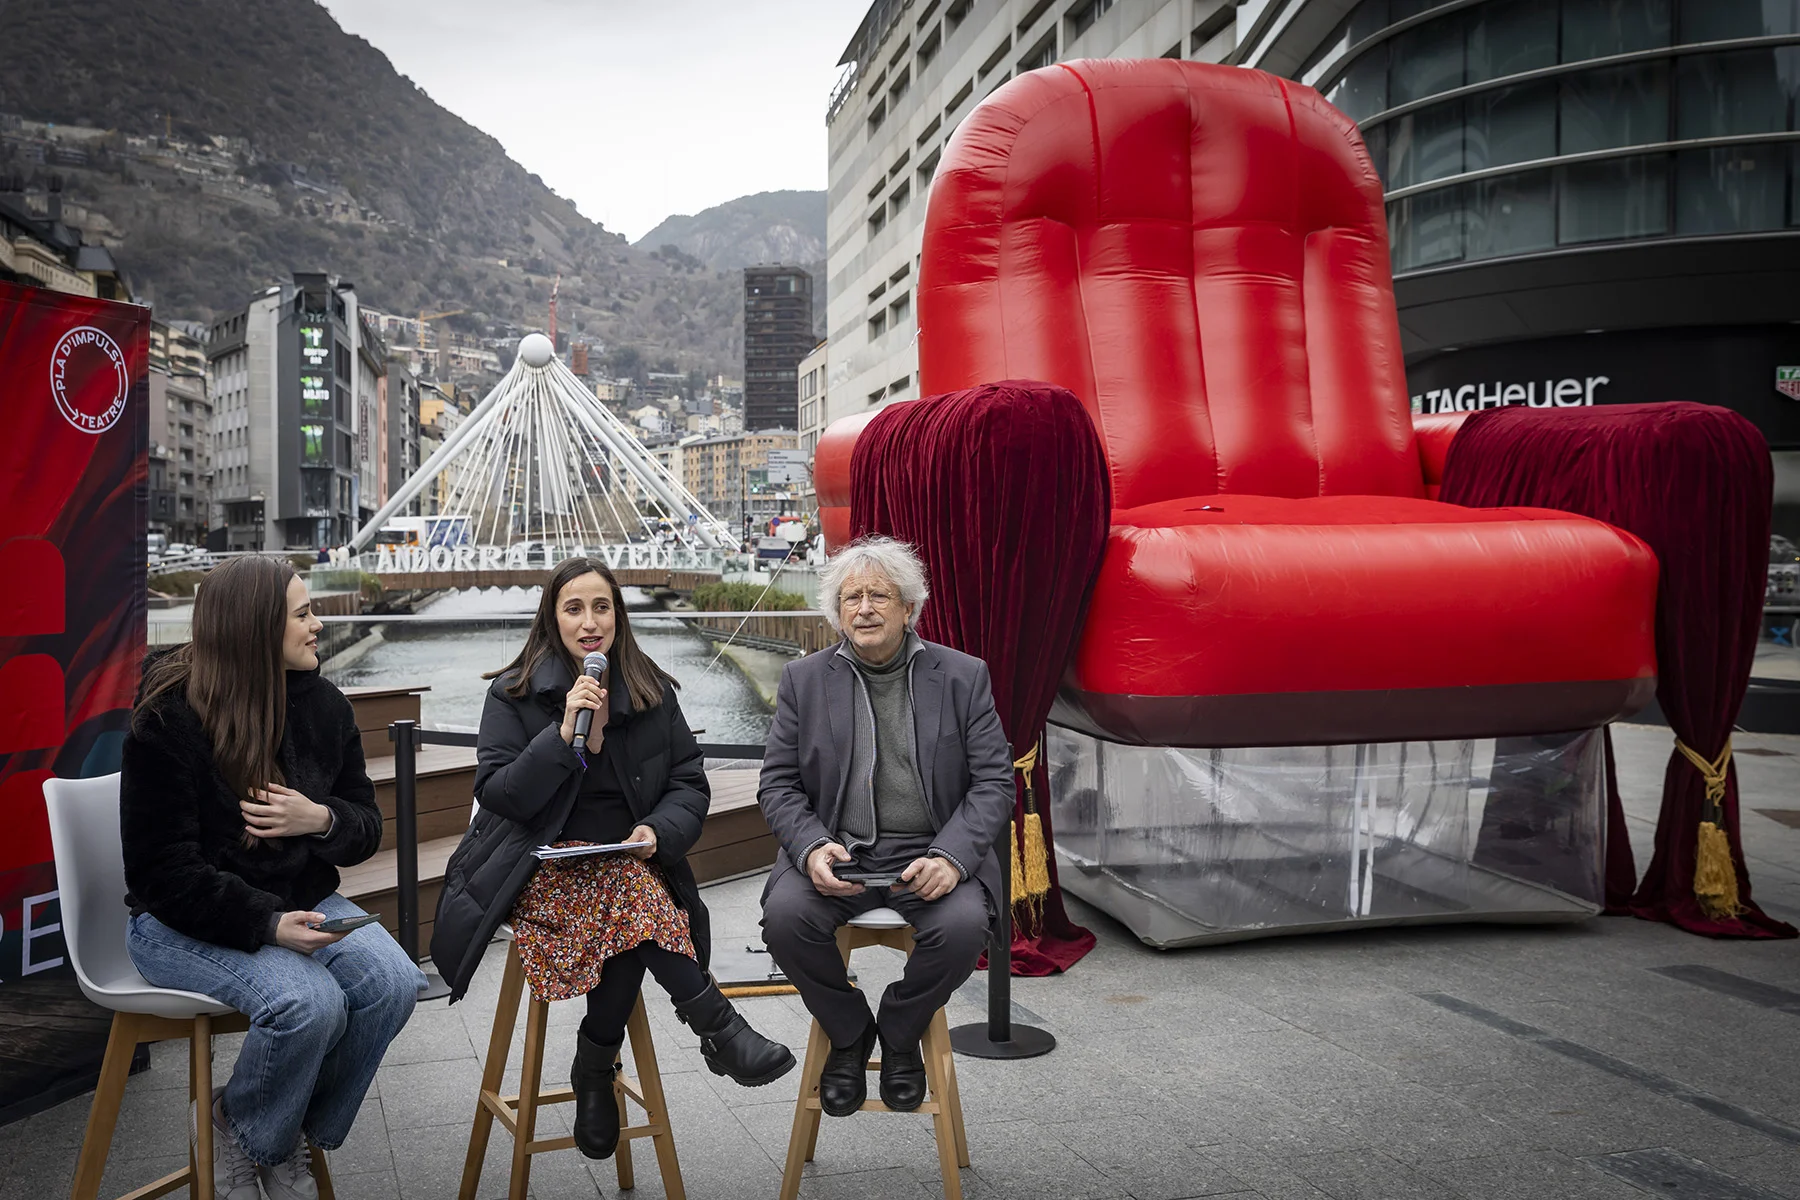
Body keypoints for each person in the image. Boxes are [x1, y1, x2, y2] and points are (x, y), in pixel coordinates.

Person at [431, 557, 794, 1161]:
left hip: (629, 863)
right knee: (633, 905)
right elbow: (500, 796)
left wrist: (657, 830)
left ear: (619, 617)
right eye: (574, 608)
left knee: (626, 896)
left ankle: (594, 1070)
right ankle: (713, 1032)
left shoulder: (649, 688)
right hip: (539, 869)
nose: (589, 622)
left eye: (602, 607)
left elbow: (689, 782)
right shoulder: (515, 692)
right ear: (553, 618)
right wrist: (564, 730)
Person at [121, 555, 424, 1200]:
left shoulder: (325, 708)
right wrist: (264, 923)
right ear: (257, 628)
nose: (319, 625)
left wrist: (319, 820)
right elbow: (160, 872)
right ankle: (256, 1137)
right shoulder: (168, 717)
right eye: (304, 613)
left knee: (395, 983)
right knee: (309, 1003)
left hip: (301, 898)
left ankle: (263, 1134)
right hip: (179, 921)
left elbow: (365, 828)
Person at [758, 535, 1013, 1115]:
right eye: (851, 598)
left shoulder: (962, 677)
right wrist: (811, 847)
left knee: (963, 927)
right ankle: (850, 1033)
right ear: (837, 612)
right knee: (786, 920)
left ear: (908, 607)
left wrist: (952, 856)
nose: (864, 608)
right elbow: (777, 784)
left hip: (929, 852)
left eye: (878, 595)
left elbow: (995, 781)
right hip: (839, 849)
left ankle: (900, 1031)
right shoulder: (804, 680)